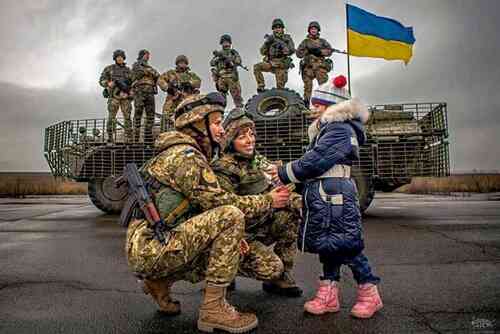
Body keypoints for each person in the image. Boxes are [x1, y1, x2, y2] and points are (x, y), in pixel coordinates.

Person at [125, 92, 291, 333]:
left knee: (237, 245)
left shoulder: (182, 152)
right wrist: (268, 200)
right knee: (230, 216)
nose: (222, 129)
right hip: (151, 247)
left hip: (153, 243)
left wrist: (235, 240)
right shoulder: (186, 157)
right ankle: (213, 310)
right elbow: (221, 204)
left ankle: (159, 282)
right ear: (196, 124)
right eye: (215, 122)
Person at [269, 78, 383, 318]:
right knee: (329, 244)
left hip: (335, 194)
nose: (314, 108)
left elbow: (316, 161)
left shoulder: (339, 129)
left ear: (332, 107)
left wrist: (285, 173)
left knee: (348, 246)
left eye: (319, 104)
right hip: (326, 193)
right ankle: (329, 294)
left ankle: (369, 293)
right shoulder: (328, 129)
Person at [211, 108, 303, 297]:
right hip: (238, 234)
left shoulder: (255, 159)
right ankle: (222, 270)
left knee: (291, 215)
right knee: (270, 268)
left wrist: (302, 203)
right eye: (242, 136)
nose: (250, 140)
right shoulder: (224, 168)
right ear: (230, 140)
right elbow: (225, 209)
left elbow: (277, 186)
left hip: (258, 224)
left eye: (251, 134)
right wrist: (269, 201)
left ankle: (281, 278)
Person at [158, 55, 201, 130]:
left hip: (187, 99)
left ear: (186, 64)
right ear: (177, 63)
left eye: (184, 62)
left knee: (188, 117)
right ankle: (165, 135)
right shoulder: (171, 73)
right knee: (166, 116)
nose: (182, 64)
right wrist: (168, 88)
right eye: (180, 62)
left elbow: (198, 82)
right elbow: (160, 80)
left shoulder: (191, 75)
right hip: (173, 98)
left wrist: (189, 83)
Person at [296, 21, 334, 108]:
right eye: (312, 29)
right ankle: (306, 105)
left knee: (323, 86)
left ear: (318, 30)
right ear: (309, 30)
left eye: (315, 29)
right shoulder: (305, 42)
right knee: (307, 87)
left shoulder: (322, 41)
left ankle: (326, 104)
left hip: (319, 66)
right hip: (308, 68)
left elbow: (330, 51)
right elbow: (298, 54)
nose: (313, 30)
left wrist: (320, 52)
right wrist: (308, 51)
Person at [99, 49, 133, 143]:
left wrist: (129, 93)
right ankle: (110, 137)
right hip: (114, 96)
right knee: (111, 117)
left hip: (125, 97)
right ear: (115, 58)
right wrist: (108, 83)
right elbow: (101, 80)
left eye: (121, 57)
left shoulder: (128, 70)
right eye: (118, 57)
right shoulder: (109, 69)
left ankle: (128, 137)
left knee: (127, 117)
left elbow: (133, 83)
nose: (120, 59)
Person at [253, 18, 295, 92]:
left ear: (282, 29)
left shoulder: (287, 38)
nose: (277, 29)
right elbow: (262, 52)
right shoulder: (271, 38)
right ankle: (261, 85)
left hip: (281, 64)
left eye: (279, 27)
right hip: (271, 63)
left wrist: (286, 49)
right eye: (275, 28)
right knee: (257, 67)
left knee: (280, 88)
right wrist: (267, 43)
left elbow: (292, 50)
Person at [131, 49, 160, 143]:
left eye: (148, 55)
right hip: (140, 92)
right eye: (146, 55)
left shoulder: (149, 67)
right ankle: (135, 139)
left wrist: (148, 71)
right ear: (142, 55)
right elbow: (138, 74)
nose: (148, 56)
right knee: (138, 114)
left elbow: (157, 75)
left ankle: (148, 139)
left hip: (150, 92)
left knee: (150, 116)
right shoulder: (136, 65)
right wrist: (148, 72)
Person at [210, 34, 244, 108]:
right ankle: (221, 112)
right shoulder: (219, 53)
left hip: (231, 76)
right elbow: (212, 63)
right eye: (224, 42)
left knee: (237, 96)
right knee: (221, 97)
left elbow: (238, 61)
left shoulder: (233, 52)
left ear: (230, 43)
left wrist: (230, 60)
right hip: (221, 77)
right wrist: (219, 58)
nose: (225, 44)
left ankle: (240, 111)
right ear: (221, 43)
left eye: (227, 42)